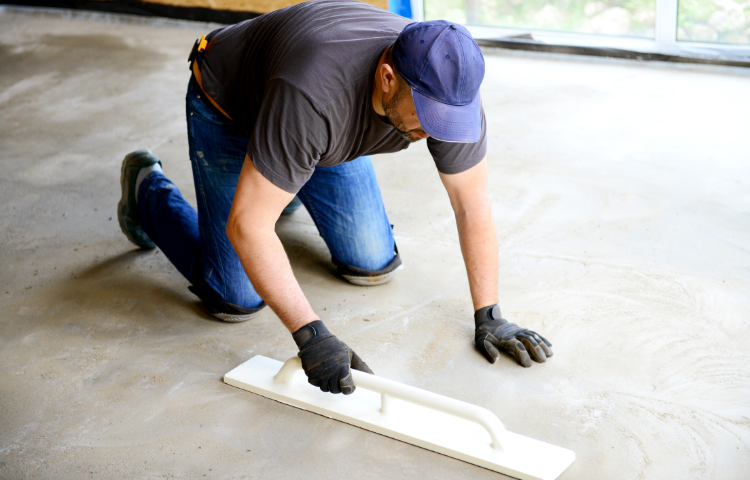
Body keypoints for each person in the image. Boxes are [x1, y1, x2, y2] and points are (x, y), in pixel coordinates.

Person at [117, 0, 553, 395]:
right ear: (387, 78)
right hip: (231, 105)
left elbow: (471, 204)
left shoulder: (448, 90)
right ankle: (146, 190)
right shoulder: (314, 94)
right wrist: (312, 335)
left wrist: (490, 313)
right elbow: (245, 226)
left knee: (372, 264)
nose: (435, 134)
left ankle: (283, 176)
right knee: (235, 297)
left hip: (315, 130)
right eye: (428, 121)